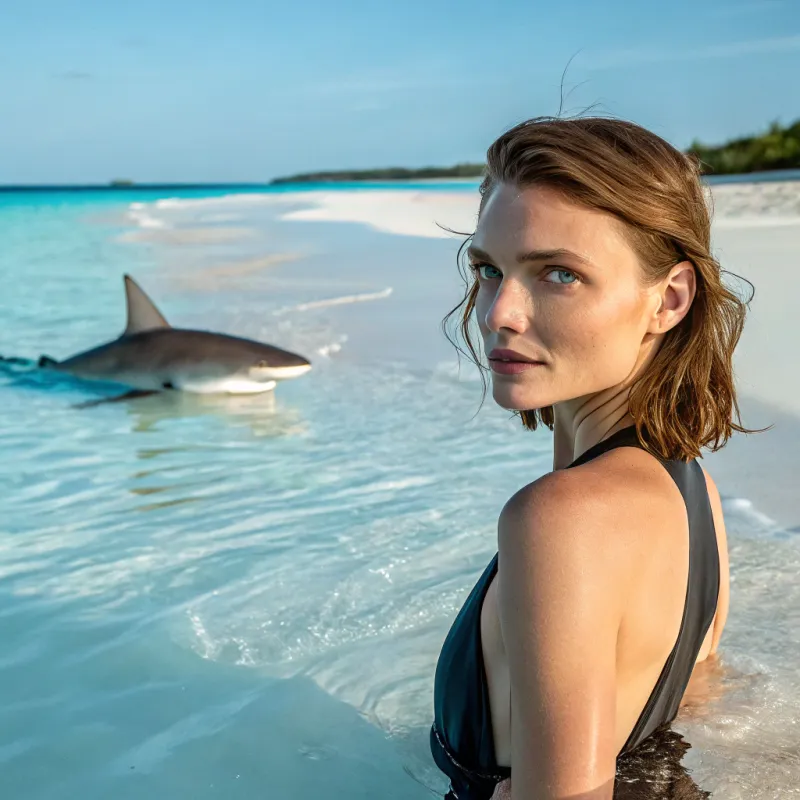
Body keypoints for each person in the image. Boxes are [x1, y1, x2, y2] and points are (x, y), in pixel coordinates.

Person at [430, 116, 752, 800]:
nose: (498, 313)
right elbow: (692, 706)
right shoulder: (696, 495)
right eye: (489, 269)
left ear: (668, 300)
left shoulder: (560, 521)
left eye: (559, 274)